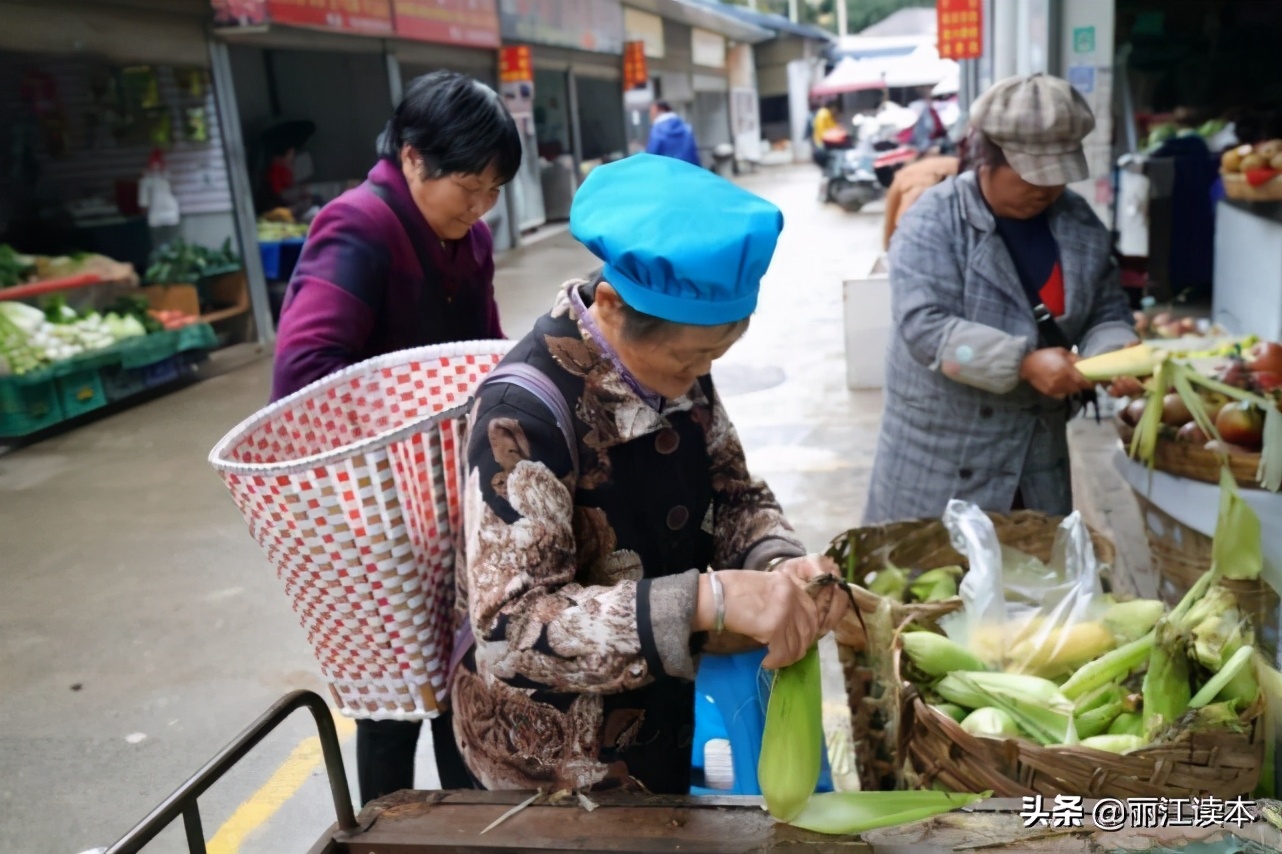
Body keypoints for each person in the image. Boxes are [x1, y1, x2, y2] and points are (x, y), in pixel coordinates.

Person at [451, 153, 850, 793]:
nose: (697, 379)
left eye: (715, 357)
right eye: (689, 360)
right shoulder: (522, 415)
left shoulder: (673, 361)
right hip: (560, 767)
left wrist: (778, 563)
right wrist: (705, 599)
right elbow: (513, 629)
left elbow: (734, 490)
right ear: (610, 304)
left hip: (666, 720)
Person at [269, 70, 521, 803]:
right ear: (413, 158)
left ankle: (461, 831)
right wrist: (403, 423)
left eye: (493, 190)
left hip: (444, 500)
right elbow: (304, 375)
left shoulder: (466, 239)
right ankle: (382, 833)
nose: (480, 208)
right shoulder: (359, 224)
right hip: (371, 509)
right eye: (468, 186)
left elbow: (484, 350)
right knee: (392, 706)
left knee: (458, 685)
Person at [864, 73, 1141, 525]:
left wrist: (1112, 353)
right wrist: (1024, 364)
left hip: (1033, 459)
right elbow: (926, 328)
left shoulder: (1079, 224)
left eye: (1058, 175)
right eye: (1031, 172)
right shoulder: (933, 221)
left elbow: (1105, 311)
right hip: (939, 462)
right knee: (928, 583)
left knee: (1031, 578)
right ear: (987, 155)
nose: (1045, 189)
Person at [882, 154, 961, 249]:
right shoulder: (954, 163)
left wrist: (887, 245)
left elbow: (891, 214)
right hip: (951, 223)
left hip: (911, 228)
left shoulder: (905, 174)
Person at [645, 101, 701, 167]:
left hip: (667, 171)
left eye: (652, 111)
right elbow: (693, 154)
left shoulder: (657, 130)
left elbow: (652, 155)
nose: (650, 115)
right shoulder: (686, 128)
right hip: (687, 170)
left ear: (660, 110)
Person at [811, 99, 839, 167]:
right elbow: (821, 130)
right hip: (822, 141)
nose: (836, 110)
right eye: (835, 108)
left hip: (826, 139)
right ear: (832, 107)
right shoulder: (824, 114)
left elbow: (833, 126)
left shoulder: (828, 114)